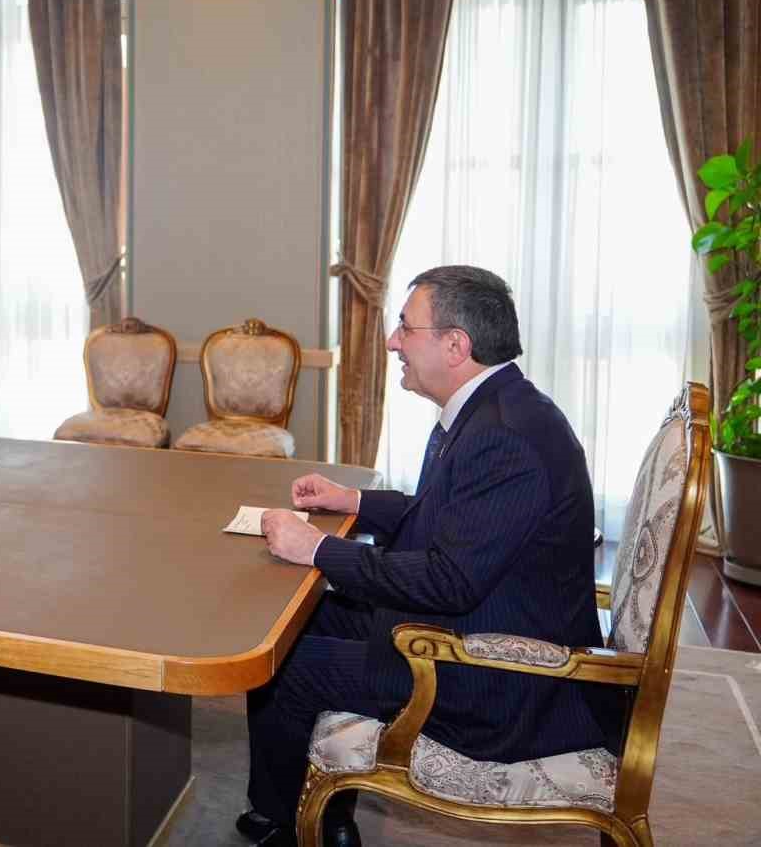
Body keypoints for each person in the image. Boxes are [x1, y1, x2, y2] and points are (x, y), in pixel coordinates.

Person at [239, 266, 613, 847]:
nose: (393, 342)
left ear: (455, 345)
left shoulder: (504, 437)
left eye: (405, 328)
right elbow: (448, 518)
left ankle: (296, 828)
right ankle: (301, 811)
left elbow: (448, 580)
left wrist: (317, 547)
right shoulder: (496, 408)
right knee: (290, 625)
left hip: (497, 675)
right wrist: (354, 501)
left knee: (285, 664)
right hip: (480, 619)